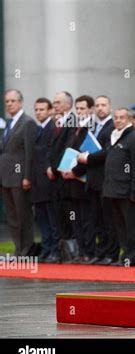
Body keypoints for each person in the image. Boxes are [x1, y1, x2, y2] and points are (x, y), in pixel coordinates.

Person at [77, 95, 118, 266]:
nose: (100, 108)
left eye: (104, 105)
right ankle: (100, 253)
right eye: (98, 105)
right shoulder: (92, 126)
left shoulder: (113, 126)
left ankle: (112, 254)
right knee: (97, 219)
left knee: (109, 219)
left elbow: (109, 150)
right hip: (92, 180)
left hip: (106, 180)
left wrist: (88, 157)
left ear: (110, 107)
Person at [102, 108, 135, 267]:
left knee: (130, 226)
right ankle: (125, 254)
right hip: (112, 190)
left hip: (126, 190)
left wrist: (134, 189)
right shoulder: (112, 136)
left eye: (121, 117)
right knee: (118, 226)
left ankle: (132, 256)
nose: (117, 120)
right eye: (116, 118)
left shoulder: (133, 137)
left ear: (128, 119)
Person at [0, 89, 37, 256]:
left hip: (20, 176)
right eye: (7, 101)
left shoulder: (27, 122)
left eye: (12, 101)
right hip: (5, 177)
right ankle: (18, 248)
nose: (9, 104)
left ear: (20, 102)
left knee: (23, 214)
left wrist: (27, 176)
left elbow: (30, 152)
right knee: (12, 216)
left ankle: (26, 248)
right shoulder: (7, 124)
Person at [60, 95, 97, 263]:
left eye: (83, 108)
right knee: (76, 219)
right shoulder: (76, 127)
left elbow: (89, 153)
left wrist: (75, 171)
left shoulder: (92, 127)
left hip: (85, 180)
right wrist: (65, 169)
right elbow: (70, 151)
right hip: (72, 181)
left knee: (87, 219)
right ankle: (81, 252)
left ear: (90, 109)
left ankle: (89, 252)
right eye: (78, 109)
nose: (80, 112)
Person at [31, 97, 60, 262]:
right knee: (41, 217)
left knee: (52, 217)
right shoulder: (36, 129)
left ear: (49, 111)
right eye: (36, 109)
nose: (38, 112)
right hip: (36, 181)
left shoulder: (53, 128)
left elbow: (52, 151)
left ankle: (55, 250)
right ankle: (47, 247)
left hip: (49, 181)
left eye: (42, 109)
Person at [48, 91, 76, 244]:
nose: (55, 106)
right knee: (59, 213)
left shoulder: (73, 121)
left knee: (70, 213)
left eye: (58, 102)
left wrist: (57, 168)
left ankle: (74, 249)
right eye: (54, 102)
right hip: (55, 176)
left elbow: (69, 147)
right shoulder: (56, 122)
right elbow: (51, 147)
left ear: (67, 104)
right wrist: (49, 167)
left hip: (66, 176)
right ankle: (64, 249)